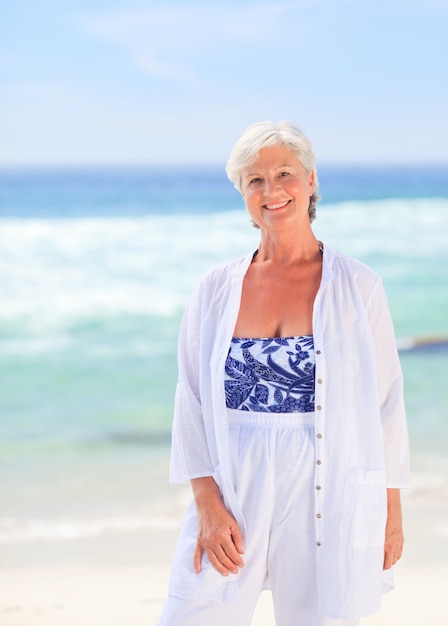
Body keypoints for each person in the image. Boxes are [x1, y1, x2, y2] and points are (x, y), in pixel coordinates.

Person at [157, 121, 410, 626]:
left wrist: (391, 511)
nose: (271, 191)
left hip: (328, 491)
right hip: (234, 489)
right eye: (255, 180)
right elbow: (191, 402)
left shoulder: (358, 286)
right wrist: (206, 502)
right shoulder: (214, 289)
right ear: (243, 194)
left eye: (284, 174)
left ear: (311, 181)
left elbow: (385, 403)